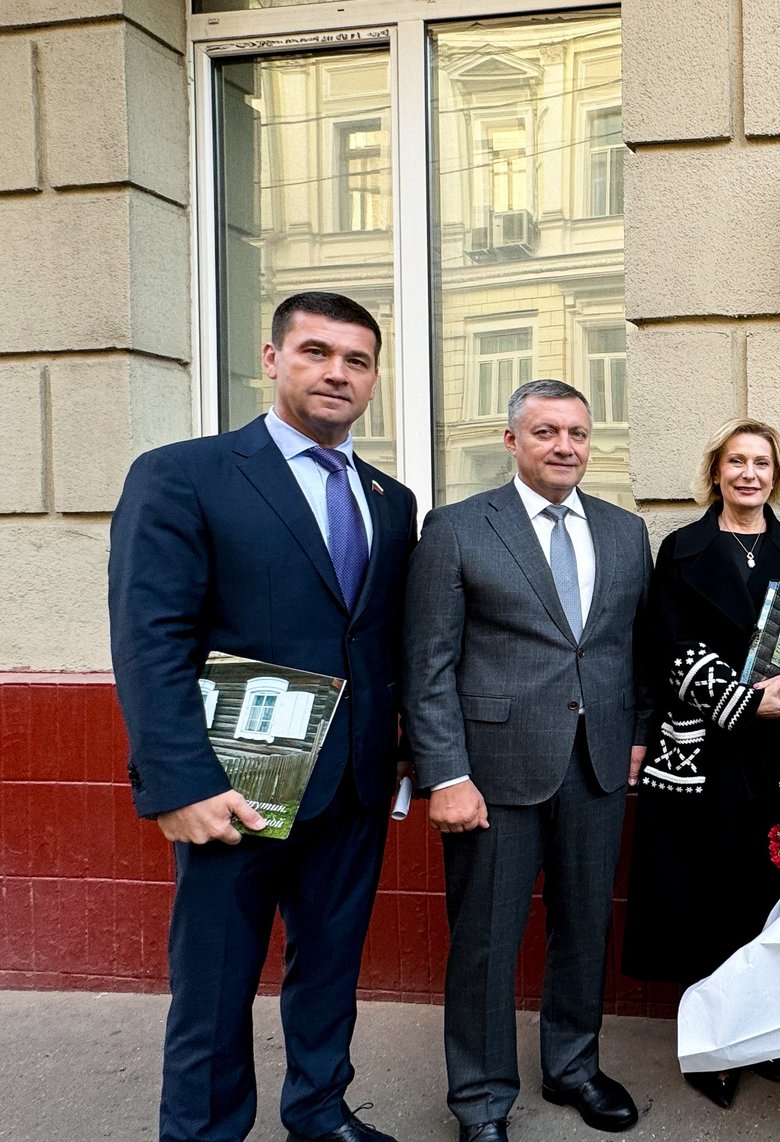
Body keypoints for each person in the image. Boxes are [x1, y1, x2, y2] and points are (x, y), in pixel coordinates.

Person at [108, 292, 416, 1142]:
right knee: (214, 980)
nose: (336, 373)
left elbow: (379, 635)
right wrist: (179, 782)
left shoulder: (391, 500)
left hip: (352, 783)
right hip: (235, 779)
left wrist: (399, 750)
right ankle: (204, 1131)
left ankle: (319, 1112)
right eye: (316, 352)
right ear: (272, 359)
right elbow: (149, 638)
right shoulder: (184, 473)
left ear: (374, 379)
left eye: (356, 361)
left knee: (330, 970)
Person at [402, 379, 652, 1142]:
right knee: (486, 940)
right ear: (512, 441)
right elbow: (427, 663)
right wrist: (444, 773)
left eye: (577, 433)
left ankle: (572, 1065)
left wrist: (637, 730)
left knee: (583, 928)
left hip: (597, 764)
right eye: (546, 432)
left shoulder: (623, 531)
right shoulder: (457, 528)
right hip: (492, 773)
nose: (565, 446)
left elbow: (634, 646)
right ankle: (480, 1101)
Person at [622, 417, 780, 1109]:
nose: (749, 473)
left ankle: (762, 1032)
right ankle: (713, 1046)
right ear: (715, 471)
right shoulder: (682, 550)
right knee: (704, 901)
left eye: (761, 463)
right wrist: (740, 700)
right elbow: (666, 642)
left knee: (765, 895)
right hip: (705, 756)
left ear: (775, 474)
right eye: (736, 462)